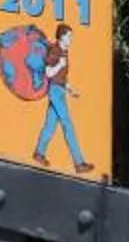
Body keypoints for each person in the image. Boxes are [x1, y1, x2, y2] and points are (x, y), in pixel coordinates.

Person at [34, 22, 90, 173]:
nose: (71, 39)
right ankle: (79, 163)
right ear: (62, 37)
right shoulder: (55, 51)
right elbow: (49, 73)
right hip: (55, 92)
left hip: (60, 90)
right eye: (69, 36)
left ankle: (39, 153)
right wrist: (59, 64)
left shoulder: (64, 51)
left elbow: (61, 78)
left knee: (50, 125)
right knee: (68, 124)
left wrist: (70, 89)